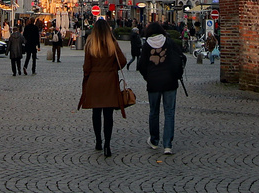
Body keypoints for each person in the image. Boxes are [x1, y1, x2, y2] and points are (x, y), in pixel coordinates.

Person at [78, 18, 127, 157]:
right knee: (108, 114)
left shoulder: (90, 44)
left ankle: (98, 141)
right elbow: (122, 61)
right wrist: (112, 69)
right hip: (109, 82)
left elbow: (87, 67)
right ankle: (107, 144)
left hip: (94, 81)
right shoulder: (112, 44)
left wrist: (88, 77)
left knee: (96, 113)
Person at [136, 20, 185, 153]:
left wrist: (148, 76)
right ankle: (168, 144)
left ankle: (154, 140)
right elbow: (180, 57)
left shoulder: (147, 46)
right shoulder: (169, 42)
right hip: (169, 81)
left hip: (153, 82)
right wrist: (176, 74)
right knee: (169, 113)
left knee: (154, 111)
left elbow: (141, 65)